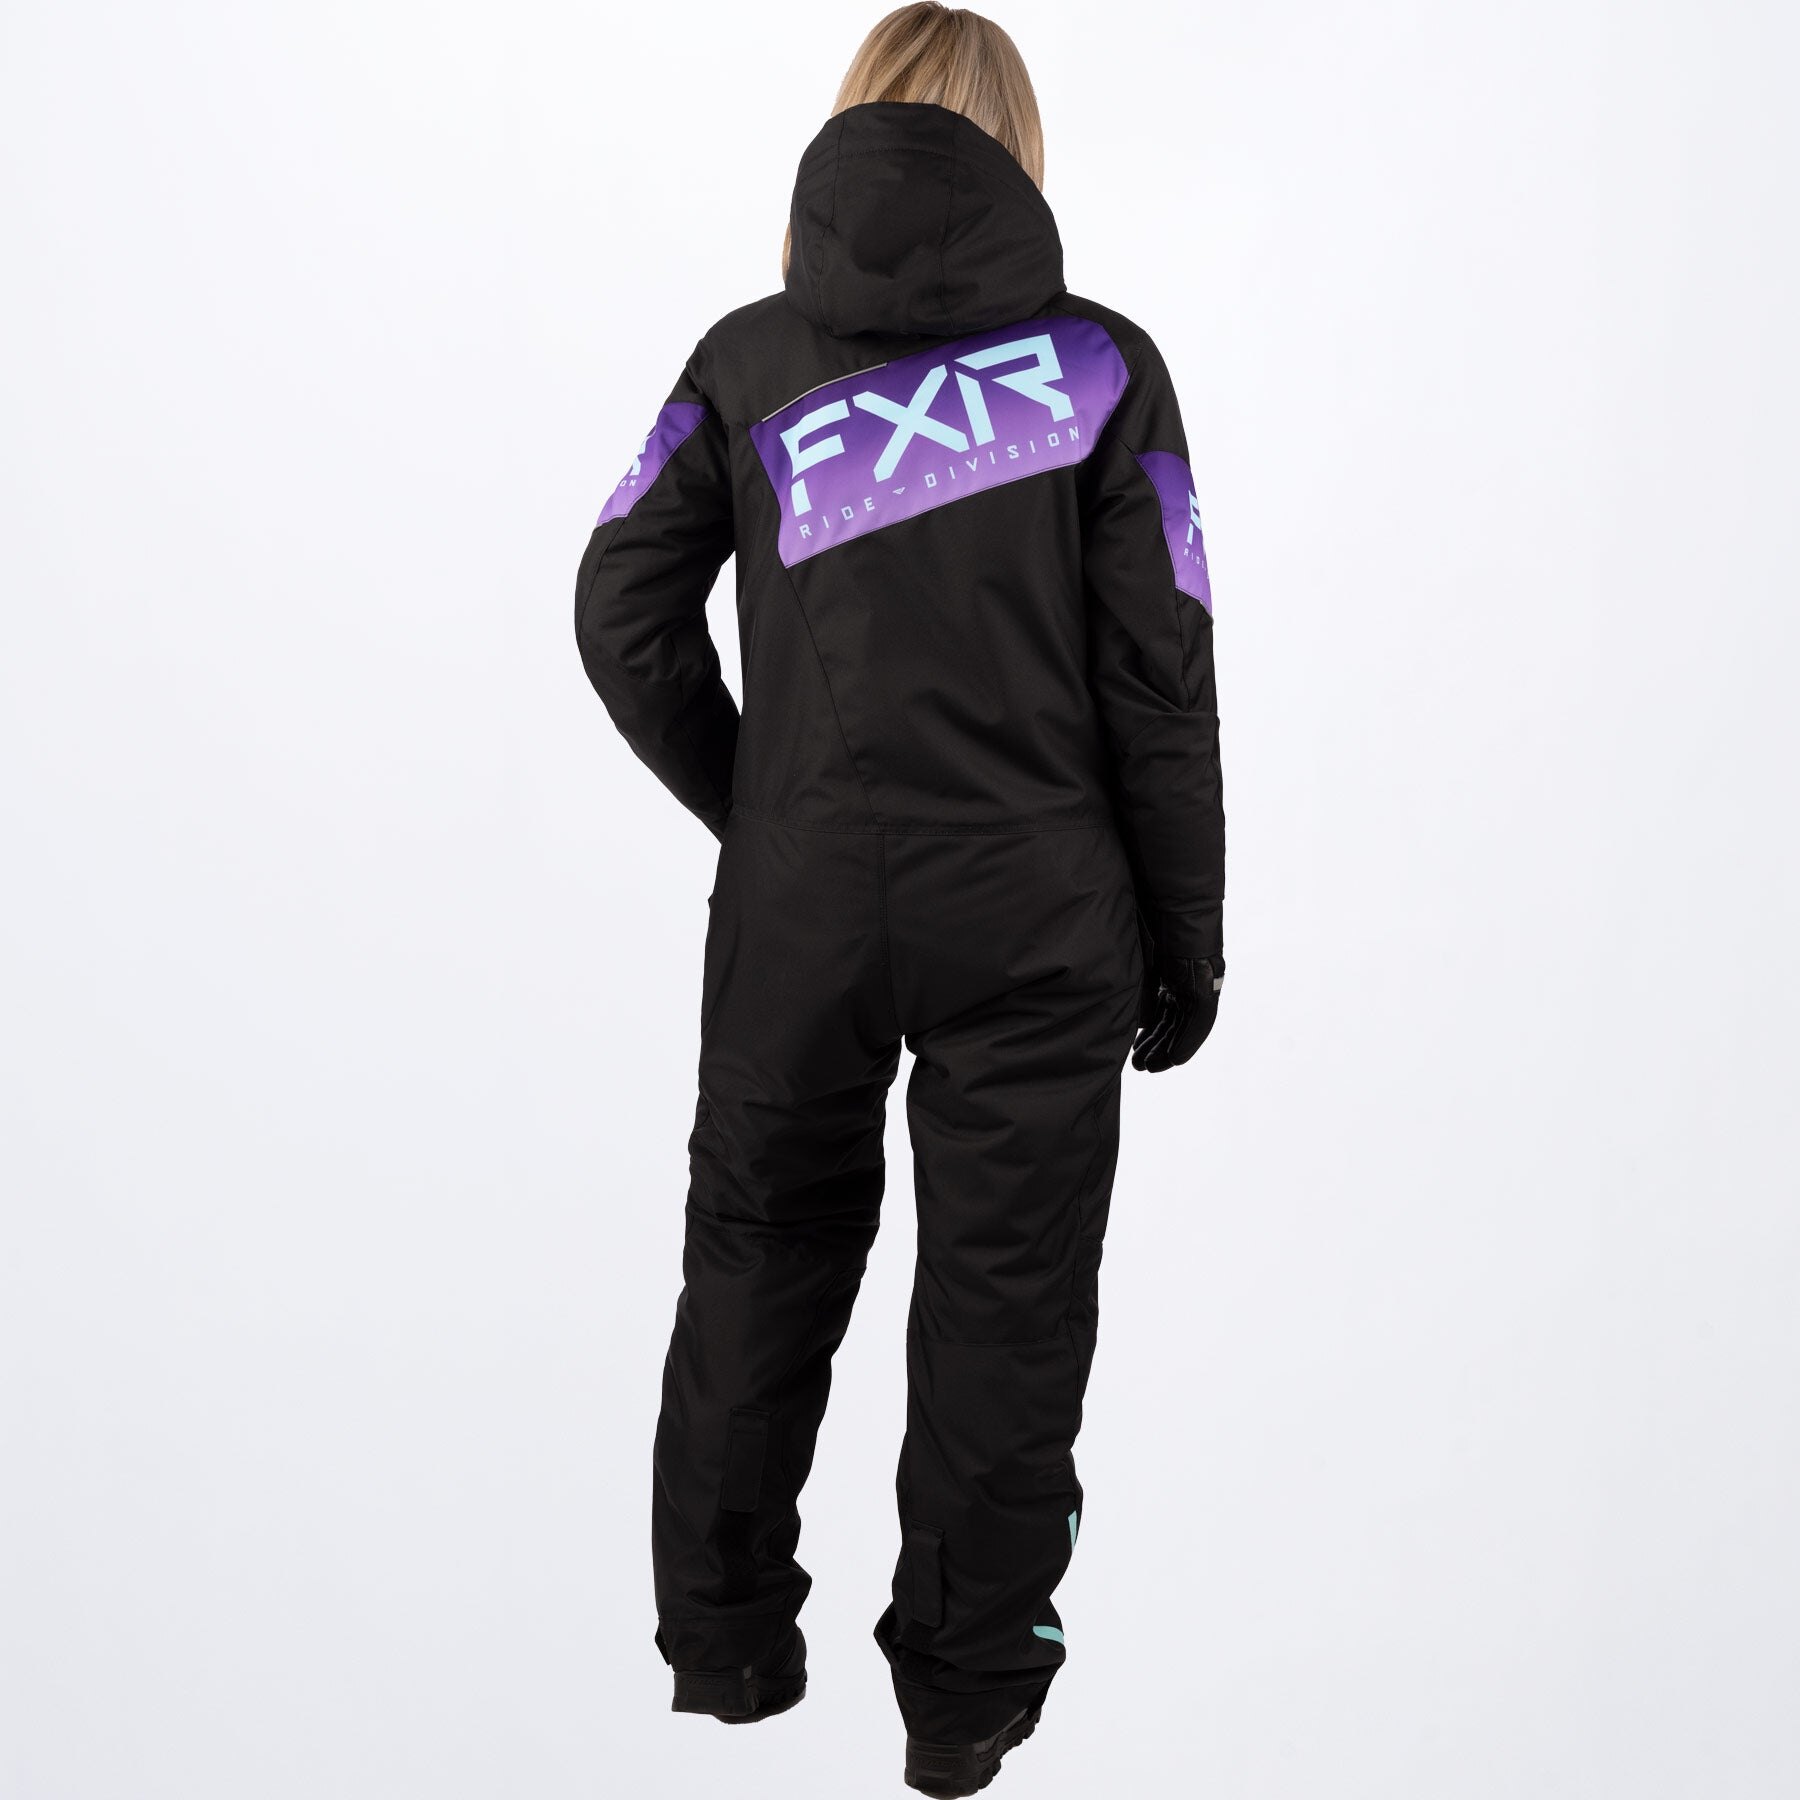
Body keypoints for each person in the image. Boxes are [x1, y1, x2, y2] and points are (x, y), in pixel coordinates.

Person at [574, 5, 1224, 1792]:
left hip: (803, 916)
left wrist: (766, 812)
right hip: (1039, 922)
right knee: (1009, 1304)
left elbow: (618, 608)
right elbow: (1163, 677)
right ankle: (965, 1707)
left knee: (756, 1252)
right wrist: (1189, 943)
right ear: (1022, 146)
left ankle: (724, 1650)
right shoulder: (1104, 371)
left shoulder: (745, 358)